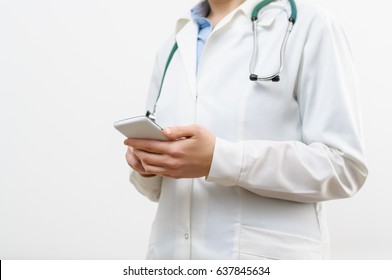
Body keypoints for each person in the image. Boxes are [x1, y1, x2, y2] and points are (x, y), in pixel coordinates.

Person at [123, 0, 368, 259]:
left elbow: (344, 165)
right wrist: (149, 166)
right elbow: (158, 191)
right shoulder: (173, 45)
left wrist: (221, 159)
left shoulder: (310, 25)